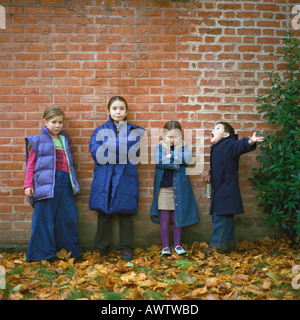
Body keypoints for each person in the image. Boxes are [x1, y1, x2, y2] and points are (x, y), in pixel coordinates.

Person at [89, 96, 145, 261]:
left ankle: (126, 248)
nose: (118, 111)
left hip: (125, 178)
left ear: (126, 111)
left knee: (125, 214)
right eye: (114, 108)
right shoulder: (99, 131)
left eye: (121, 108)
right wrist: (121, 146)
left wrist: (108, 146)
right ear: (108, 111)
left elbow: (133, 150)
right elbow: (97, 154)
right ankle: (100, 248)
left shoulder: (134, 131)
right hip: (105, 178)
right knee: (104, 214)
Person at [24, 106, 81, 261]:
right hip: (45, 184)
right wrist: (28, 184)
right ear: (45, 122)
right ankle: (42, 254)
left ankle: (68, 253)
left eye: (60, 122)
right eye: (53, 122)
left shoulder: (64, 139)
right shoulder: (38, 140)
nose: (57, 125)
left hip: (64, 183)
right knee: (44, 219)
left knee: (68, 217)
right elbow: (31, 164)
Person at [204, 122, 265, 253]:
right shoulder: (218, 147)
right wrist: (211, 172)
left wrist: (249, 141)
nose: (214, 129)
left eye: (218, 128)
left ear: (226, 135)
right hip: (220, 190)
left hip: (226, 191)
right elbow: (222, 164)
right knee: (226, 220)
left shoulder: (228, 144)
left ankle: (217, 248)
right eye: (214, 127)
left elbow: (239, 146)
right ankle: (229, 245)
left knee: (221, 219)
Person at [150, 120, 200, 255]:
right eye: (169, 136)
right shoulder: (159, 147)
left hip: (179, 189)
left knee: (178, 217)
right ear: (164, 136)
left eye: (175, 137)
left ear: (181, 137)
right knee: (165, 217)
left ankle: (177, 245)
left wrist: (172, 155)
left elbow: (188, 158)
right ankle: (165, 246)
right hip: (164, 189)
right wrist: (177, 164)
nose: (172, 140)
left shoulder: (183, 147)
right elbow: (159, 161)